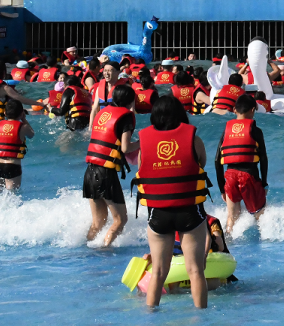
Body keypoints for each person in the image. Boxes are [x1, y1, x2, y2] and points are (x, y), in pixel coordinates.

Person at [132, 96, 212, 309]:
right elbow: (201, 164)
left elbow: (142, 169)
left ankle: (151, 316)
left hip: (158, 213)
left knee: (158, 272)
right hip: (189, 212)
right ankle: (201, 319)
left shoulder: (144, 144)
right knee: (195, 270)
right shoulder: (194, 140)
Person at [84, 84, 139, 247]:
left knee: (98, 222)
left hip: (90, 171)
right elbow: (126, 148)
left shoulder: (102, 112)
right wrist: (143, 142)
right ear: (131, 101)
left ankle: (87, 249)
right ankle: (104, 250)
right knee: (120, 219)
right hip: (105, 173)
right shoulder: (126, 117)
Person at [215, 94, 269, 235]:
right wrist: (264, 184)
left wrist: (222, 189)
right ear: (252, 110)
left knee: (232, 217)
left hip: (230, 177)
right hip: (249, 176)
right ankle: (265, 240)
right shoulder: (256, 131)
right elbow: (263, 159)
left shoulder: (226, 131)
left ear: (234, 110)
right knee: (260, 214)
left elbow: (217, 161)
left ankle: (228, 242)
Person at [0, 99, 34, 191]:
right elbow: (31, 134)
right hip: (11, 165)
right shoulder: (23, 127)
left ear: (5, 113)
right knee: (13, 194)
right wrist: (24, 119)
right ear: (21, 113)